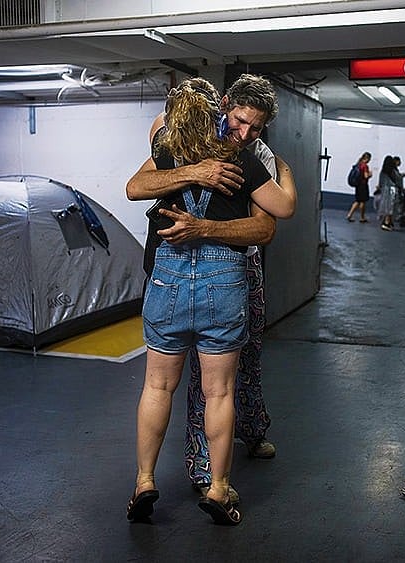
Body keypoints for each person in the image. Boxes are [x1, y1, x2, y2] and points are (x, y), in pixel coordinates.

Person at [124, 77, 296, 526]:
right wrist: (286, 174)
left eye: (254, 128)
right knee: (219, 390)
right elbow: (282, 209)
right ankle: (218, 489)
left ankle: (145, 480)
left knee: (157, 386)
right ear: (220, 108)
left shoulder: (170, 146)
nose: (244, 133)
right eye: (239, 121)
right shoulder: (242, 158)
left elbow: (135, 185)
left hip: (168, 278)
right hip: (224, 279)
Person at [345, 152, 372, 222]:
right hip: (363, 186)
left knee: (357, 201)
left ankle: (349, 215)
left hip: (358, 185)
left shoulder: (358, 164)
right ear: (367, 158)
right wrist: (370, 174)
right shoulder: (365, 166)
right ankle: (362, 217)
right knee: (363, 202)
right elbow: (366, 176)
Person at [376, 155, 399, 231]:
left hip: (384, 190)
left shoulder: (382, 172)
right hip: (392, 190)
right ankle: (387, 222)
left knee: (386, 206)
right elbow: (397, 181)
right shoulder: (394, 172)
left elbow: (380, 183)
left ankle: (387, 222)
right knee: (391, 207)